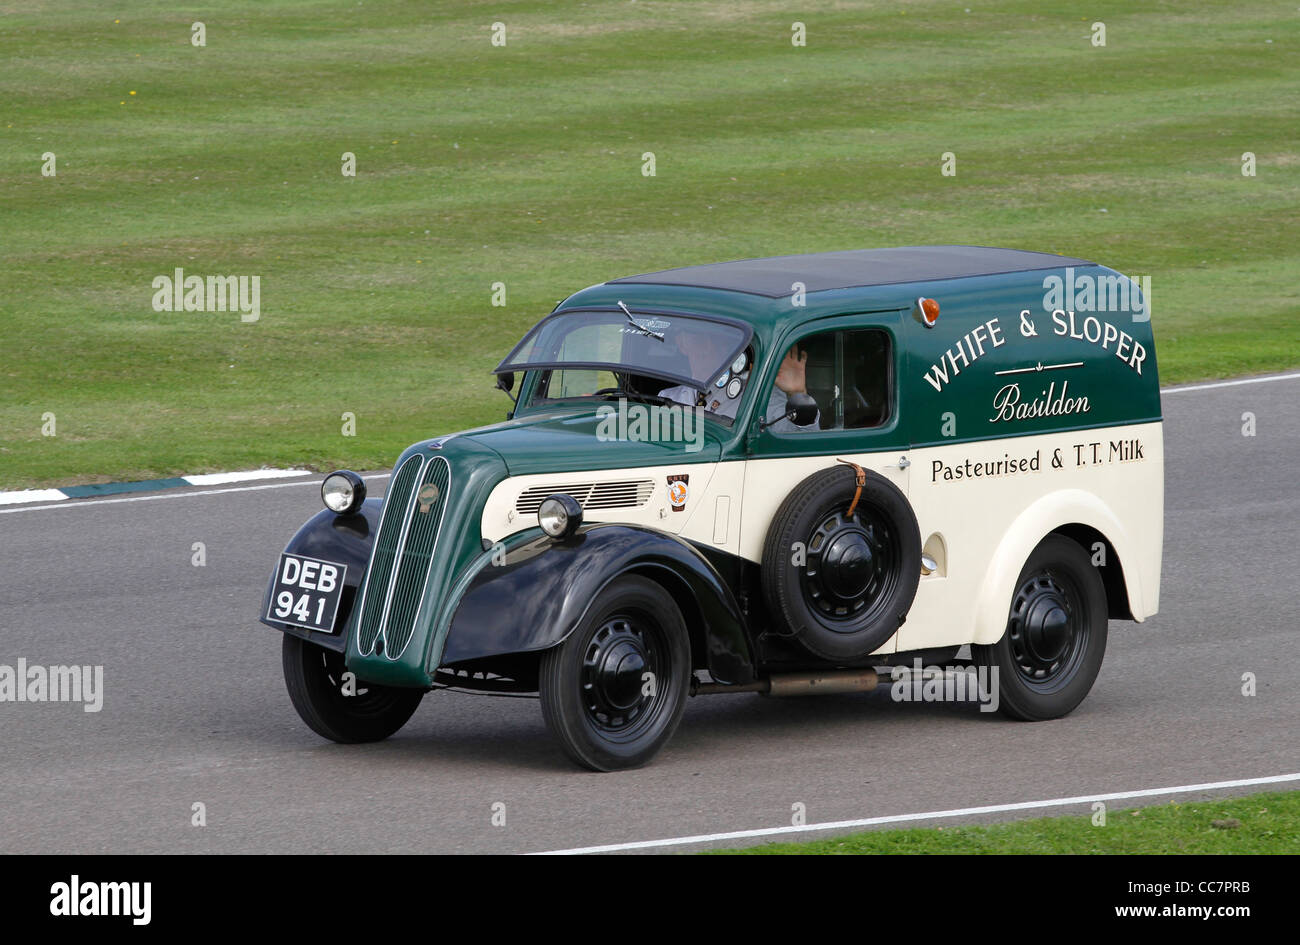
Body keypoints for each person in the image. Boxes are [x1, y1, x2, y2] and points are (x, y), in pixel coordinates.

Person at [658, 335, 819, 433]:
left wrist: (797, 394)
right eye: (697, 336)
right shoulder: (668, 397)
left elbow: (800, 438)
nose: (707, 346)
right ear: (681, 343)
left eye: (714, 338)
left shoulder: (755, 392)